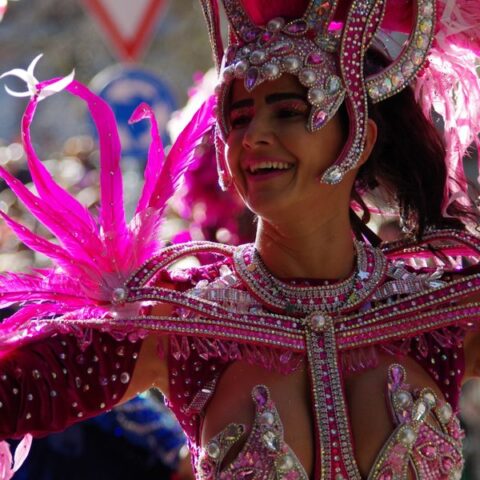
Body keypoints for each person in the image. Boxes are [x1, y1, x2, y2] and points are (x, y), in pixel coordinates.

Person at [0, 0, 480, 479]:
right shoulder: (181, 322)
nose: (253, 136)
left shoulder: (442, 315)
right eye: (239, 118)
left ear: (360, 137)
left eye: (288, 111)